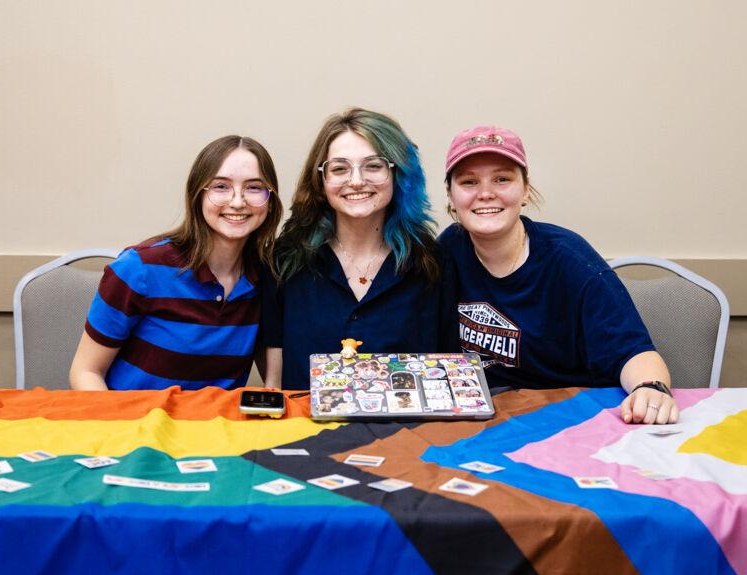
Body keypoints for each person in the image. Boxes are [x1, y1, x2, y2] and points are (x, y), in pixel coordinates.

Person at [438, 126, 678, 424]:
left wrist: (651, 388)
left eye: (502, 179)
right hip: (488, 420)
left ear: (525, 189)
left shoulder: (569, 260)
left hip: (572, 416)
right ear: (451, 195)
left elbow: (633, 352)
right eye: (469, 182)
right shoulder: (448, 250)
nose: (486, 194)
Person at [263, 108, 459, 390]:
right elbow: (274, 382)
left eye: (373, 165)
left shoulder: (432, 263)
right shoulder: (285, 260)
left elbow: (446, 373)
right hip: (307, 429)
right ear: (321, 182)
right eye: (340, 168)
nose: (356, 181)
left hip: (405, 432)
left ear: (397, 175)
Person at [69, 135, 283, 390]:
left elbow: (275, 379)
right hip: (134, 424)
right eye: (221, 187)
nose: (238, 202)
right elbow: (85, 372)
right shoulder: (140, 268)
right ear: (197, 195)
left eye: (254, 187)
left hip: (214, 427)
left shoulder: (266, 276)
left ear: (270, 201)